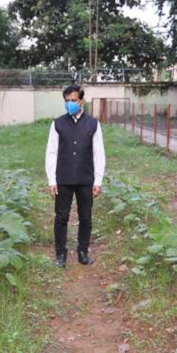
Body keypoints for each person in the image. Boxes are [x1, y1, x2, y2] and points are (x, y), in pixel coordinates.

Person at [45, 85, 106, 269]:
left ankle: (82, 251)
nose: (69, 104)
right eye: (66, 101)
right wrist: (52, 180)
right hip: (63, 178)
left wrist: (98, 180)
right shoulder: (57, 124)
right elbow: (51, 152)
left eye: (73, 100)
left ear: (81, 101)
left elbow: (99, 153)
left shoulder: (93, 124)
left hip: (85, 179)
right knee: (61, 217)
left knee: (85, 217)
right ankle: (61, 254)